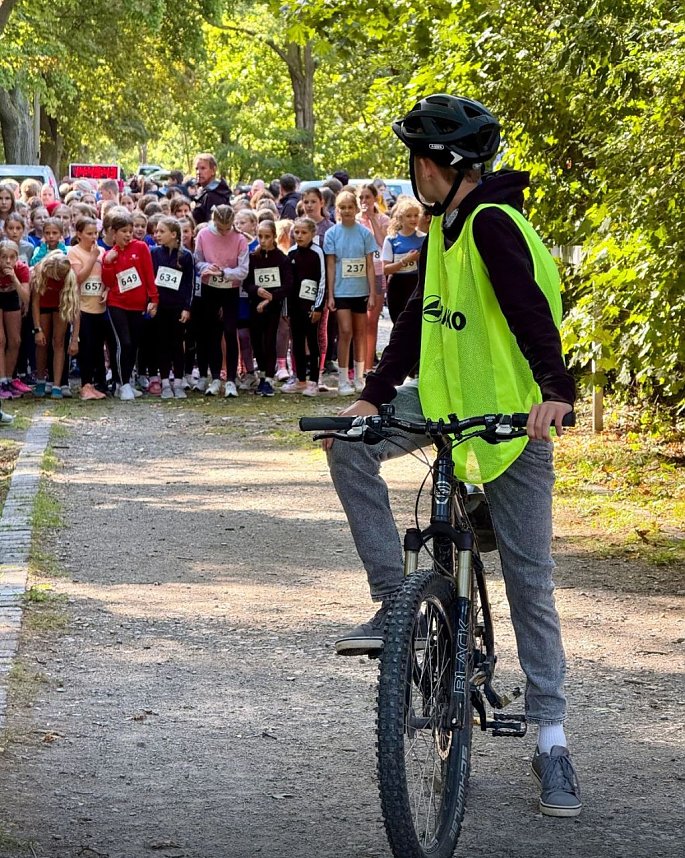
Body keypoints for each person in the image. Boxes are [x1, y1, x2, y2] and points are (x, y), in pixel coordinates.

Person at [324, 93, 581, 818]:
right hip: (440, 411)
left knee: (530, 578)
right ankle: (395, 605)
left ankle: (552, 738)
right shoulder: (444, 226)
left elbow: (532, 312)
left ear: (448, 165)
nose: (413, 172)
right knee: (346, 448)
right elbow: (417, 318)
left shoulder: (493, 224)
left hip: (511, 424)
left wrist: (554, 392)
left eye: (419, 159)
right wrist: (372, 396)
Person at [323, 190, 376, 395]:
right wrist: (330, 294)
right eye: (342, 207)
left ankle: (359, 377)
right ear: (338, 210)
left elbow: (370, 265)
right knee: (345, 332)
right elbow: (330, 265)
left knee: (360, 333)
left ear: (355, 208)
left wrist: (372, 293)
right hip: (341, 291)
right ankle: (343, 379)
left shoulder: (365, 234)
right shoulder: (332, 234)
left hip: (360, 291)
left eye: (349, 207)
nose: (346, 211)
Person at [101, 211, 158, 401]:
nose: (127, 235)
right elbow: (108, 282)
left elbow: (149, 275)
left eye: (130, 231)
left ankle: (125, 382)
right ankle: (122, 383)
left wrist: (154, 299)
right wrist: (108, 264)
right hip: (117, 304)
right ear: (113, 233)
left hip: (138, 304)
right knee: (122, 343)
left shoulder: (141, 248)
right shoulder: (109, 254)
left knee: (133, 345)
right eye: (123, 231)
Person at [194, 204, 249, 397]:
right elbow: (197, 259)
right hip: (210, 289)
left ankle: (231, 379)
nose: (225, 232)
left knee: (229, 331)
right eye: (220, 227)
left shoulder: (240, 239)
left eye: (228, 228)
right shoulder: (203, 235)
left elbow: (243, 270)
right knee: (212, 333)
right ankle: (215, 376)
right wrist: (206, 268)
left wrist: (224, 272)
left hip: (230, 290)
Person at [243, 219, 293, 396]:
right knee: (256, 340)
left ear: (274, 237)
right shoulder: (253, 258)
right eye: (260, 236)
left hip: (273, 307)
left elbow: (287, 285)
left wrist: (271, 298)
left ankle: (269, 378)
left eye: (267, 237)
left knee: (269, 340)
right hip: (255, 306)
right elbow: (247, 283)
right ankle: (262, 374)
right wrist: (257, 290)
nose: (263, 240)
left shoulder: (282, 259)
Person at [150, 217, 194, 399]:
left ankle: (178, 380)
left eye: (161, 231)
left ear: (174, 234)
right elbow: (151, 279)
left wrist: (187, 308)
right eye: (156, 231)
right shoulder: (155, 254)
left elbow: (188, 285)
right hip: (161, 307)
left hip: (177, 307)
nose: (157, 235)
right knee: (162, 343)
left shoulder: (186, 256)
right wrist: (152, 302)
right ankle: (165, 381)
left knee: (177, 344)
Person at [282, 217, 325, 396]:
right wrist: (286, 309)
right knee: (297, 342)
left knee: (312, 342)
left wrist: (318, 307)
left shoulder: (317, 253)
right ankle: (300, 379)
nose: (299, 236)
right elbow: (286, 283)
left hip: (311, 307)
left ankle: (314, 380)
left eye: (304, 232)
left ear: (312, 234)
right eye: (297, 232)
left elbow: (322, 280)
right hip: (294, 307)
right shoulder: (291, 253)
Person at [68, 217, 107, 400]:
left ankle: (97, 383)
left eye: (95, 234)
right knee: (86, 348)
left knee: (98, 348)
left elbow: (106, 277)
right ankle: (85, 385)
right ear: (79, 234)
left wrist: (107, 289)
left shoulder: (102, 251)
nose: (93, 237)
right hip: (83, 308)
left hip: (100, 307)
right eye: (89, 234)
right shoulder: (74, 253)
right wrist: (92, 259)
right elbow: (78, 278)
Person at [31, 251, 80, 398]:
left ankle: (57, 385)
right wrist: (37, 329)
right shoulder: (41, 273)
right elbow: (35, 303)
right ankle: (40, 380)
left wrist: (74, 339)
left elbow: (76, 311)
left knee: (58, 342)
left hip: (60, 307)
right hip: (43, 307)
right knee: (42, 343)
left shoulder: (70, 277)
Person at [357, 183, 390, 372]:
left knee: (371, 321)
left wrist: (372, 219)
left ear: (375, 198)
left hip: (377, 273)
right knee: (358, 321)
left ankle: (369, 366)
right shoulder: (354, 220)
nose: (364, 201)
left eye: (367, 197)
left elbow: (382, 241)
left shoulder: (383, 219)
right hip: (357, 274)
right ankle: (358, 365)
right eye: (361, 198)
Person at [381, 197, 424, 323]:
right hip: (397, 285)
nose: (413, 219)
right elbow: (385, 269)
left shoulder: (424, 238)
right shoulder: (391, 239)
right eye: (409, 216)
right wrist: (405, 261)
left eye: (416, 215)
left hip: (417, 284)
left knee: (415, 324)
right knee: (399, 322)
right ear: (400, 218)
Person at [0, 240, 31, 399]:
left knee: (15, 341)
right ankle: (1, 381)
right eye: (4, 257)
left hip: (12, 295)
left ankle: (9, 379)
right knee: (1, 340)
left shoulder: (21, 269)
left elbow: (26, 298)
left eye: (12, 257)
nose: (8, 261)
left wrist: (14, 279)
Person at [192, 153, 232, 225]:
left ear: (213, 170)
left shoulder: (214, 195)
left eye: (203, 168)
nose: (198, 172)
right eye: (197, 169)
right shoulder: (204, 192)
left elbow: (212, 225)